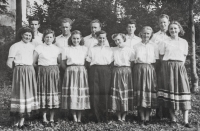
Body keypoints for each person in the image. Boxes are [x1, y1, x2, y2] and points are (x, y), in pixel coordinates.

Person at [158, 21, 192, 128]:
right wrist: (166, 68)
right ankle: (173, 118)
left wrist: (180, 67)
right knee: (170, 92)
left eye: (175, 28)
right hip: (168, 67)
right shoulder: (164, 41)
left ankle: (185, 120)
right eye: (171, 28)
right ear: (169, 30)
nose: (173, 30)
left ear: (179, 29)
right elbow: (161, 56)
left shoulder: (184, 42)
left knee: (183, 90)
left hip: (180, 67)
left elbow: (184, 56)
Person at [7, 27, 39, 129]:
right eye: (26, 35)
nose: (28, 37)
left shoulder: (32, 46)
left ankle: (23, 121)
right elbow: (9, 62)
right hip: (19, 71)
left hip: (30, 71)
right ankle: (16, 122)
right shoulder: (15, 46)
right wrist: (16, 71)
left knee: (27, 94)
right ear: (21, 35)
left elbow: (34, 61)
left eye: (30, 35)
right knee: (19, 94)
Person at [33, 29, 61, 126]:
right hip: (42, 73)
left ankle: (52, 118)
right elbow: (33, 63)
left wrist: (53, 70)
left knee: (53, 95)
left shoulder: (57, 49)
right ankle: (44, 118)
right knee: (44, 94)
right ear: (43, 38)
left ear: (54, 38)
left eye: (51, 37)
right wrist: (42, 69)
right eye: (47, 37)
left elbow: (60, 62)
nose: (49, 39)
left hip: (54, 73)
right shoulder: (39, 48)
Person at [61, 30, 90, 123]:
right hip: (70, 71)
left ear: (81, 39)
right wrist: (69, 70)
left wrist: (82, 69)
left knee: (80, 93)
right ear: (71, 39)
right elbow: (62, 62)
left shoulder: (85, 49)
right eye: (74, 38)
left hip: (81, 71)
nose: (76, 40)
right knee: (72, 93)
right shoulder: (66, 48)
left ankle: (80, 117)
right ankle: (74, 117)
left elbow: (87, 61)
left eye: (78, 38)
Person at [132, 26, 158, 126]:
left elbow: (156, 60)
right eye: (144, 33)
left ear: (151, 34)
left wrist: (151, 70)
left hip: (150, 69)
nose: (146, 35)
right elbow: (133, 60)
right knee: (140, 92)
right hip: (138, 69)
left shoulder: (154, 46)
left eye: (148, 33)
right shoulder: (135, 46)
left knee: (149, 92)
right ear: (141, 34)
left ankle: (148, 117)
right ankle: (142, 116)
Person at [86, 30, 113, 122]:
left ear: (106, 38)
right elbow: (88, 61)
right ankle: (96, 116)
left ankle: (104, 116)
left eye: (103, 38)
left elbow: (111, 62)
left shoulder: (109, 49)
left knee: (105, 92)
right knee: (94, 93)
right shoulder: (92, 49)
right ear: (97, 38)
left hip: (106, 70)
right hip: (94, 70)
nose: (101, 39)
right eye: (100, 38)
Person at [110, 33, 134, 122]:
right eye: (115, 40)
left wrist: (126, 70)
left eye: (119, 40)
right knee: (117, 93)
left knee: (125, 93)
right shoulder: (113, 50)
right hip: (116, 71)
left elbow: (132, 62)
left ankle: (124, 115)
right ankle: (118, 115)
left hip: (126, 72)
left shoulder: (130, 50)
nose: (117, 42)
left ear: (123, 39)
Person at [151, 14, 170, 119]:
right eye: (161, 22)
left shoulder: (171, 35)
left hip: (168, 63)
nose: (163, 24)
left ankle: (167, 112)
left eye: (165, 22)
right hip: (158, 63)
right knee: (159, 87)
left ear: (168, 23)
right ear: (158, 24)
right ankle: (158, 112)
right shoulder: (155, 36)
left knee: (168, 87)